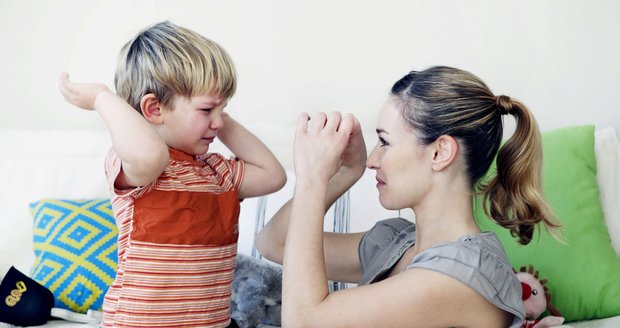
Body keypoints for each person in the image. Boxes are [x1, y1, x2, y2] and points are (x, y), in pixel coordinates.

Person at [255, 66, 560, 327]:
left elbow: (303, 322)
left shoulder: (461, 274)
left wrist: (312, 179)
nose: (373, 159)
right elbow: (273, 242)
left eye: (385, 142)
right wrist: (346, 173)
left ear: (440, 152)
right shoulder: (398, 243)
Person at [59, 21, 286, 328]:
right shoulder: (138, 166)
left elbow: (273, 176)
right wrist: (102, 98)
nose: (218, 123)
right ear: (154, 109)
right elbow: (152, 154)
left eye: (224, 110)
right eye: (207, 110)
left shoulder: (219, 173)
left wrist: (219, 116)